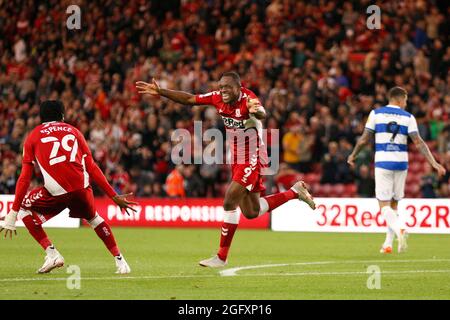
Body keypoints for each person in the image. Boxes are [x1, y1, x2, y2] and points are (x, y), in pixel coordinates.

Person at [136, 72, 315, 267]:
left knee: (229, 201)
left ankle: (221, 256)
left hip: (253, 155)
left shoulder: (248, 99)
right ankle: (294, 192)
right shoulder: (217, 98)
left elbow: (261, 112)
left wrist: (256, 111)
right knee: (251, 211)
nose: (223, 91)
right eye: (221, 87)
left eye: (227, 87)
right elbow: (189, 99)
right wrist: (161, 91)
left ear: (239, 87)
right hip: (237, 158)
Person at [0, 100, 137, 274]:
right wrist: (113, 195)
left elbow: (25, 177)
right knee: (94, 218)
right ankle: (121, 262)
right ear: (62, 116)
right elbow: (92, 167)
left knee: (23, 209)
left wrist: (12, 212)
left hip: (55, 192)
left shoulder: (33, 136)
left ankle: (52, 254)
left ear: (41, 118)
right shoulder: (74, 131)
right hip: (82, 188)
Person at [348, 87, 446, 253]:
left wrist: (353, 154)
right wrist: (434, 163)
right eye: (406, 100)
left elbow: (364, 139)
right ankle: (388, 244)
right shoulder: (408, 117)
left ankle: (401, 228)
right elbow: (419, 142)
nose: (406, 103)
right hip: (401, 163)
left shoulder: (376, 114)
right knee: (394, 205)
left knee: (384, 206)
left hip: (383, 162)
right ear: (400, 100)